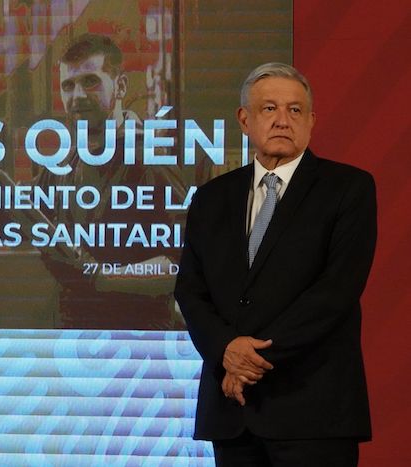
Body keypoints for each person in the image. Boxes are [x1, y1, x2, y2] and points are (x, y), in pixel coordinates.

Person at [174, 62, 376, 466]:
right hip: (233, 413)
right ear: (244, 119)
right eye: (269, 109)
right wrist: (226, 350)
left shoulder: (348, 189)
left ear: (312, 121)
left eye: (295, 110)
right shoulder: (212, 198)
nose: (283, 120)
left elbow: (335, 291)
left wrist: (249, 361)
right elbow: (191, 292)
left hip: (313, 413)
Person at [38, 33, 188, 329]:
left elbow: (184, 264)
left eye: (90, 81)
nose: (77, 96)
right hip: (74, 340)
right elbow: (15, 212)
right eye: (68, 85)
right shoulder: (64, 165)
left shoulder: (150, 162)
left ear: (120, 86)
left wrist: (103, 277)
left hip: (138, 343)